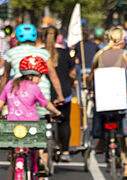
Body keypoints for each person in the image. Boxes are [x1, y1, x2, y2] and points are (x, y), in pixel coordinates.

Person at [0, 55, 62, 180]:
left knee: (13, 162)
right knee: (37, 145)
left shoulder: (11, 84)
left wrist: (0, 112)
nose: (40, 79)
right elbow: (46, 104)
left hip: (12, 128)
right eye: (40, 76)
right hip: (31, 127)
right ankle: (39, 161)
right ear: (33, 76)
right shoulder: (35, 88)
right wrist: (57, 113)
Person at [91, 27, 127, 180]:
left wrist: (90, 88)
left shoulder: (100, 54)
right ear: (122, 40)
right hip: (120, 100)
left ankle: (99, 141)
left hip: (103, 100)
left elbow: (92, 76)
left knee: (99, 114)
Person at [0, 24, 64, 117]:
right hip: (42, 89)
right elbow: (53, 76)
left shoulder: (11, 53)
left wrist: (0, 96)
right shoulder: (43, 53)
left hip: (18, 90)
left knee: (20, 120)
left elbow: (5, 76)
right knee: (42, 123)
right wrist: (60, 96)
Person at [43, 25, 76, 162]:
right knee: (64, 122)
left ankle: (41, 152)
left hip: (45, 94)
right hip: (64, 92)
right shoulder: (65, 53)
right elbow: (72, 73)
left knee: (42, 122)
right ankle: (65, 151)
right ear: (58, 37)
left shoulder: (40, 54)